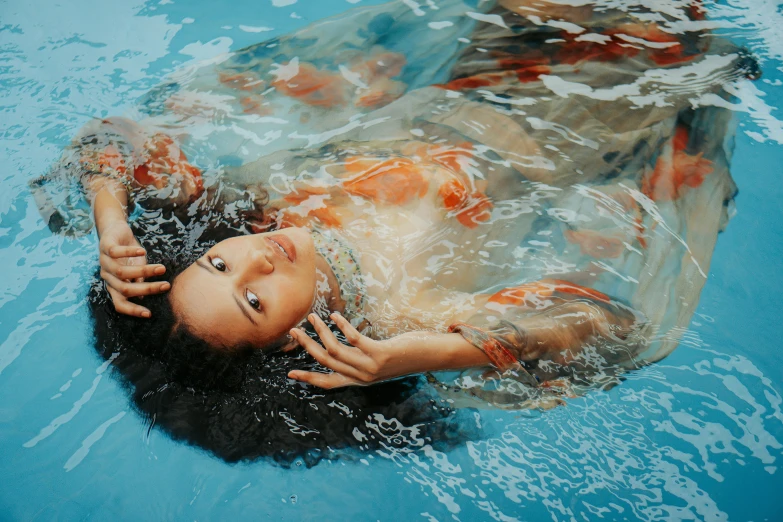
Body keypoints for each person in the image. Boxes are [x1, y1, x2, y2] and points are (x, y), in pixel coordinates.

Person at [32, 0, 758, 461]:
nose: (254, 262)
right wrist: (435, 352)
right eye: (255, 300)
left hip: (488, 63)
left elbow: (116, 140)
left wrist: (110, 215)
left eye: (219, 267)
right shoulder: (409, 323)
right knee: (683, 29)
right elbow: (612, 330)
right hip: (598, 127)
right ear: (291, 340)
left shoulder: (255, 208)